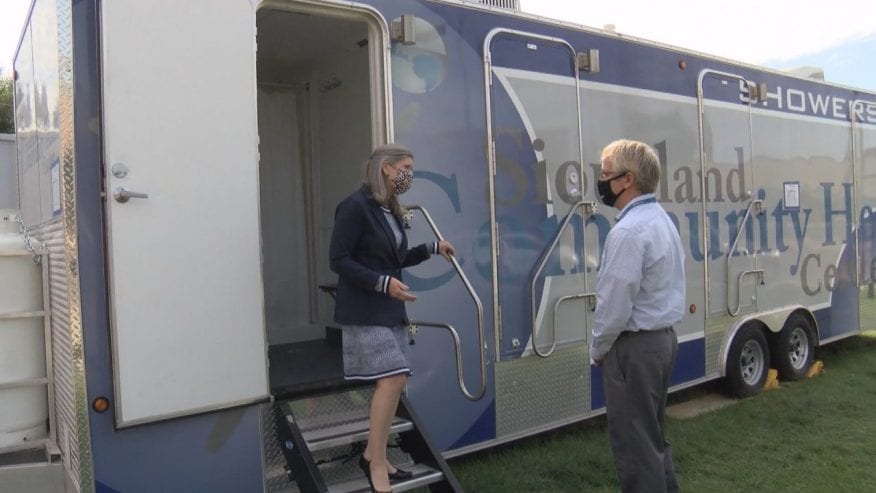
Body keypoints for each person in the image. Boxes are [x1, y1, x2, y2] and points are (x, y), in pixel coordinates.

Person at [329, 143, 455, 493]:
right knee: (394, 379)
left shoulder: (390, 210)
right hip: (365, 310)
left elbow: (394, 258)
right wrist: (383, 283)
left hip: (388, 310)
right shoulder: (354, 207)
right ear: (386, 168)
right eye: (406, 167)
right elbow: (338, 259)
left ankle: (375, 455)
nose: (409, 175)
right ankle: (376, 462)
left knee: (394, 381)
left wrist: (431, 248)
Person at [590, 139, 685, 493]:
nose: (601, 180)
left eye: (605, 173)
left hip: (634, 348)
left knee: (635, 446)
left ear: (627, 179)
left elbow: (614, 303)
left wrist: (598, 348)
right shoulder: (661, 219)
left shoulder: (628, 231)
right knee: (653, 438)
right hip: (662, 341)